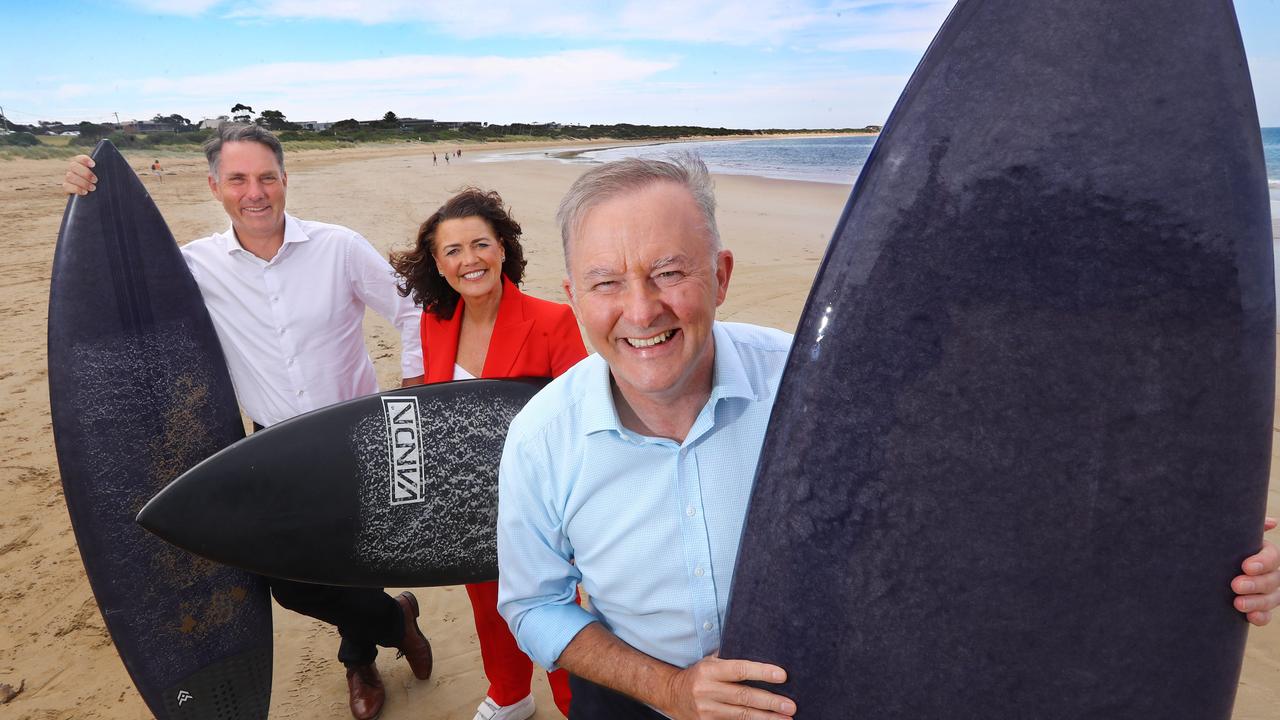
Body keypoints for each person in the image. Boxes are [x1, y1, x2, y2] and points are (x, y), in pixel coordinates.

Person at [494, 155, 1280, 720]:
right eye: (606, 282)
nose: (640, 310)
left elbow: (1000, 493)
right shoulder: (540, 440)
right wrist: (670, 690)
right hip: (643, 697)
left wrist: (1203, 554)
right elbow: (533, 605)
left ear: (722, 275)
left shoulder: (821, 385)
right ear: (571, 297)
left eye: (670, 272)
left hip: (830, 685)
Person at [62, 123, 433, 720]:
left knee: (358, 559)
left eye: (266, 177)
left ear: (285, 180)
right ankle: (398, 620)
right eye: (238, 179)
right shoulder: (191, 268)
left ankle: (358, 661)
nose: (254, 191)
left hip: (358, 436)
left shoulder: (339, 247)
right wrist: (89, 193)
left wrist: (413, 386)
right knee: (290, 583)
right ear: (215, 186)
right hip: (272, 445)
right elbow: (121, 284)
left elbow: (410, 308)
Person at [391, 188, 585, 720]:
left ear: (502, 248)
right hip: (470, 498)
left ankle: (576, 705)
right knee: (488, 603)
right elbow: (430, 410)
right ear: (437, 261)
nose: (468, 260)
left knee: (558, 608)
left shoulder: (552, 321)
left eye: (480, 244)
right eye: (452, 250)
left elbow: (583, 423)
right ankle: (510, 694)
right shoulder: (435, 322)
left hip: (543, 506)